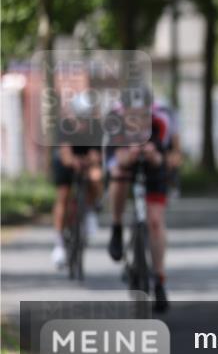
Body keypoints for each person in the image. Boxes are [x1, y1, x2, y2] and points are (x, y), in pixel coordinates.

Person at [106, 88, 182, 313]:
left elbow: (175, 156)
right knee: (118, 177)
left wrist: (158, 157)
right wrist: (128, 156)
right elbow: (114, 156)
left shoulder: (162, 120)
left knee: (156, 221)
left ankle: (159, 280)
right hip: (124, 161)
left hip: (156, 165)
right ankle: (116, 226)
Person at [50, 93, 103, 268]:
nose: (83, 122)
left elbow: (96, 155)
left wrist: (88, 162)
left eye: (87, 118)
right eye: (81, 118)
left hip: (85, 159)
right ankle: (58, 244)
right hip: (66, 160)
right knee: (63, 196)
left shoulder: (96, 128)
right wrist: (75, 162)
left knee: (96, 177)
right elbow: (65, 156)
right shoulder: (65, 126)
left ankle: (89, 210)